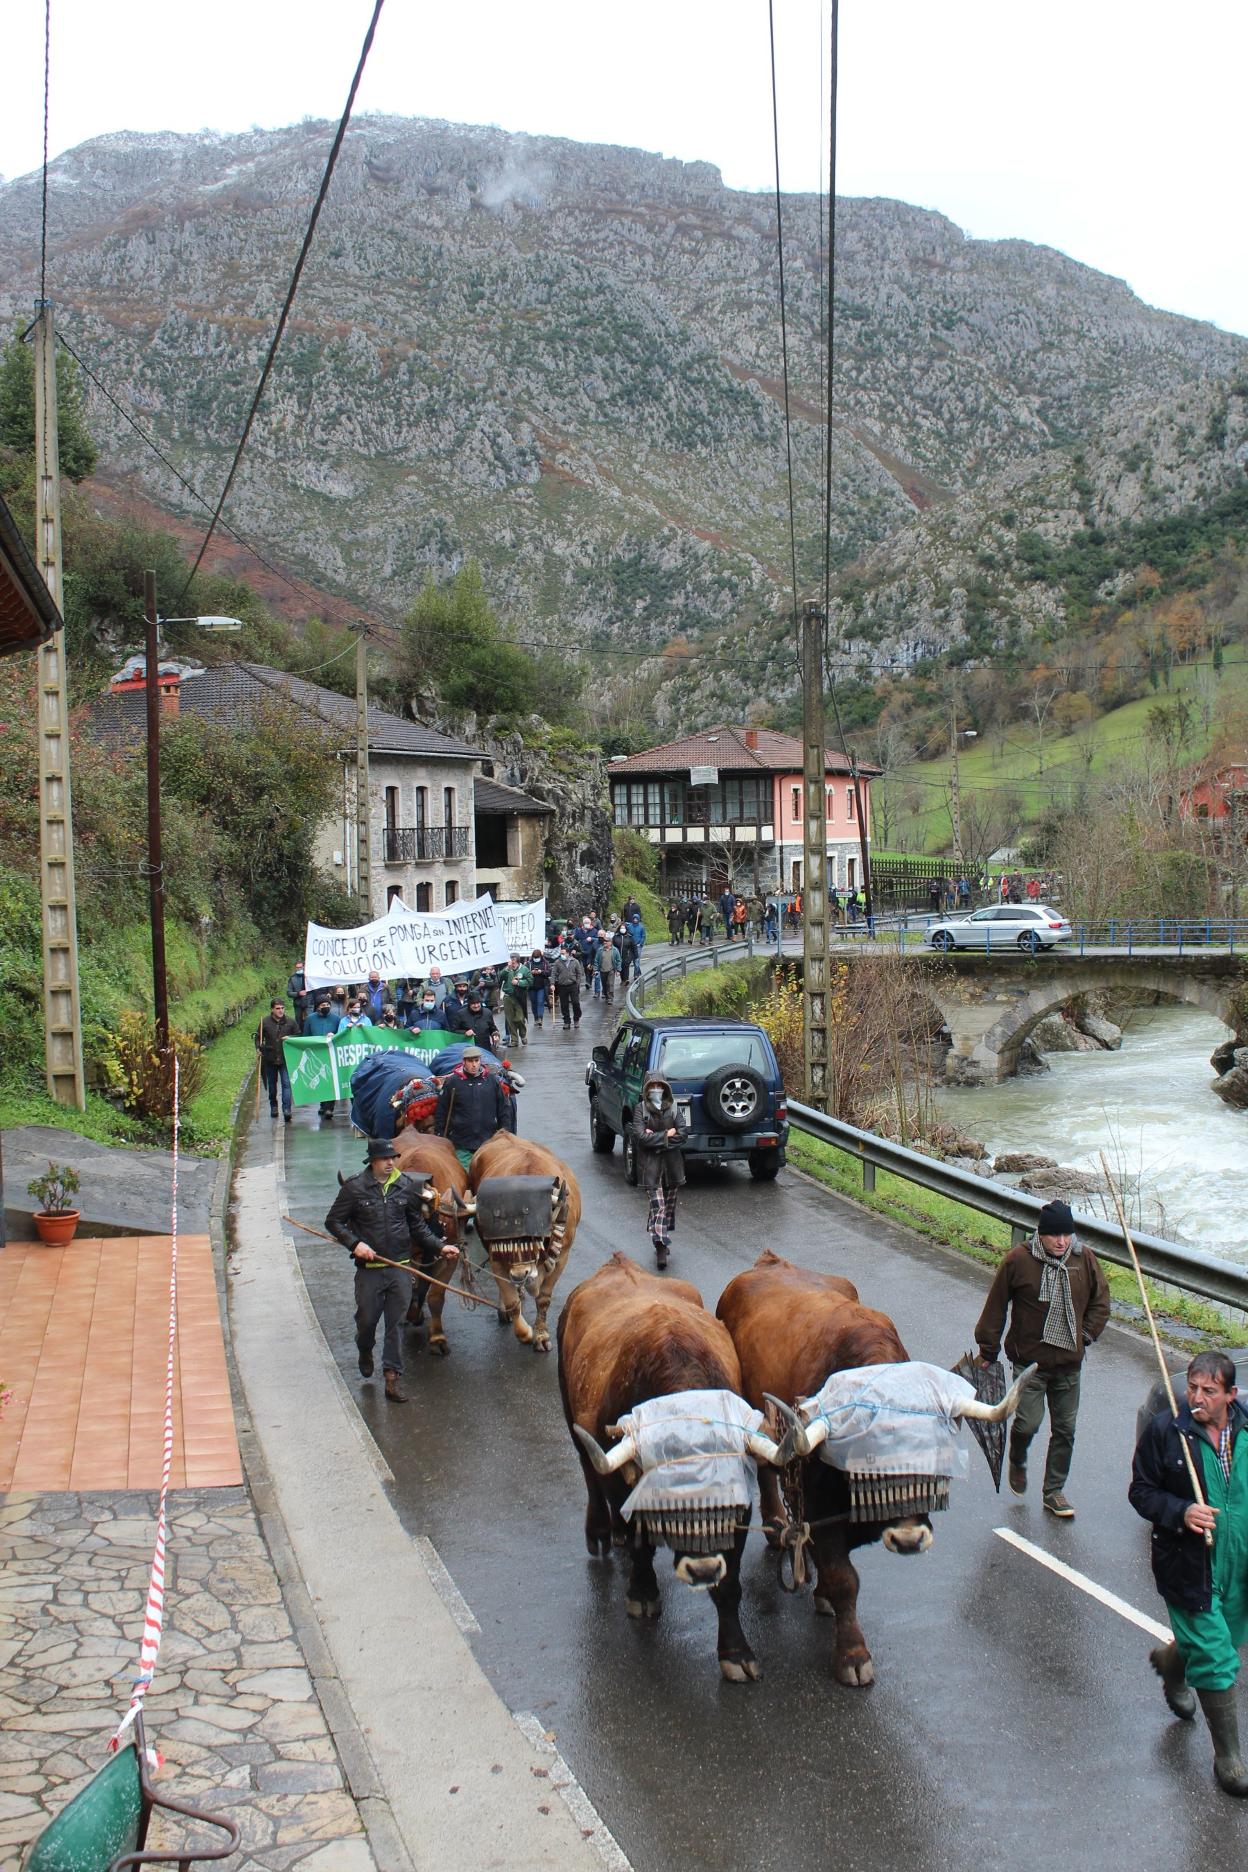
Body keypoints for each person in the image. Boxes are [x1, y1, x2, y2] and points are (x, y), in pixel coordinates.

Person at [1130, 1351, 1248, 1795]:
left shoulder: (1247, 1429)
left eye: (1208, 1391)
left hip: (1239, 1563)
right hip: (1188, 1564)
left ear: (1230, 1395)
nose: (1196, 1397)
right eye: (1193, 1388)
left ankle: (1172, 1662)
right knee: (1218, 1657)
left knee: (1225, 1638)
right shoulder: (1168, 1432)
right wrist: (1181, 1510)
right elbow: (1141, 1492)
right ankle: (1229, 1759)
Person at [974, 1198, 1110, 1518]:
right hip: (1030, 1364)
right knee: (1026, 1423)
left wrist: (1085, 1335)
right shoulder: (1019, 1260)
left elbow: (1101, 1301)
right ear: (1041, 1234)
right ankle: (1018, 1458)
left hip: (1069, 1366)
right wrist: (987, 1350)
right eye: (1055, 1236)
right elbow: (996, 1306)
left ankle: (1054, 1491)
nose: (1062, 1242)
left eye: (1067, 1235)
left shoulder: (1083, 1259)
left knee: (1065, 1429)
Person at [324, 1136, 456, 1404]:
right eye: (385, 1159)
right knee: (367, 1321)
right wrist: (355, 1243)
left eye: (393, 1158)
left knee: (396, 1324)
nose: (390, 1163)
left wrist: (439, 1247)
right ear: (372, 1162)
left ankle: (392, 1378)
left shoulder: (405, 1187)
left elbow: (417, 1226)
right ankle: (364, 1349)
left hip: (400, 1268)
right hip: (370, 1270)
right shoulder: (354, 1189)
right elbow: (334, 1222)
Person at [632, 1070, 688, 1270]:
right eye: (652, 1087)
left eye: (659, 1086)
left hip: (673, 1166)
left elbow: (682, 1134)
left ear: (665, 1088)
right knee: (659, 1206)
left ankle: (659, 1234)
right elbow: (639, 1137)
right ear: (646, 1090)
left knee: (668, 1206)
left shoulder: (673, 1108)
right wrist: (666, 1135)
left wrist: (656, 1138)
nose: (656, 1090)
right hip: (650, 1167)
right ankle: (661, 1245)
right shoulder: (640, 1110)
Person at [433, 1045, 510, 1166]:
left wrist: (505, 1133)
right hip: (461, 1144)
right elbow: (442, 1112)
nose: (474, 1065)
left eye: (476, 1061)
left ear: (480, 1061)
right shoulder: (453, 1082)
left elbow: (503, 1110)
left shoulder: (491, 1081)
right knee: (463, 1178)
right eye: (470, 1061)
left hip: (488, 1141)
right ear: (464, 1062)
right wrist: (440, 1137)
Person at [256, 997, 296, 1123]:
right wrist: (258, 1048)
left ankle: (287, 1109)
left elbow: (299, 1035)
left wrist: (291, 1037)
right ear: (272, 1009)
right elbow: (258, 1038)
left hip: (285, 1058)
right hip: (270, 1058)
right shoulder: (265, 1022)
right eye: (278, 1008)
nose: (280, 1011)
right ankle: (274, 1106)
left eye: (282, 1008)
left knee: (286, 1084)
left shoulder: (290, 1022)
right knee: (272, 1085)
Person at [303, 992, 340, 1121]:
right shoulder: (310, 1019)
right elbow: (305, 1037)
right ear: (318, 1006)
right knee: (320, 1079)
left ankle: (330, 1107)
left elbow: (341, 1035)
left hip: (331, 1053)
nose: (326, 1006)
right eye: (323, 1004)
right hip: (317, 1054)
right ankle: (322, 1104)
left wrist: (334, 1035)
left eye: (327, 1004)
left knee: (331, 1079)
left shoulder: (336, 1019)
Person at [501, 954, 532, 1047]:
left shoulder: (524, 969)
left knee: (519, 1018)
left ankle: (523, 1034)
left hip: (519, 997)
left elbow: (530, 981)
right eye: (510, 960)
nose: (512, 962)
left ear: (517, 960)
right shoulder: (507, 969)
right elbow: (500, 977)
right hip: (507, 996)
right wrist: (507, 969)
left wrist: (519, 982)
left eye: (513, 960)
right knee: (510, 1020)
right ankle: (514, 1040)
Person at [552, 945, 582, 1029]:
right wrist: (552, 984)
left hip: (573, 985)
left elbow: (579, 973)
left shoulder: (575, 961)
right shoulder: (557, 962)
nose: (561, 955)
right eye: (561, 953)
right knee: (564, 1005)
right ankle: (566, 1021)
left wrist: (578, 983)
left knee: (575, 1003)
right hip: (562, 986)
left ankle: (576, 1019)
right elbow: (553, 973)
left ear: (568, 953)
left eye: (563, 953)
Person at [528, 949, 550, 1028]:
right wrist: (531, 972)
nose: (536, 958)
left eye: (537, 957)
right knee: (534, 1003)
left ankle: (540, 1018)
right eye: (535, 957)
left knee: (540, 1002)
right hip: (531, 987)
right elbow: (525, 973)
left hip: (541, 986)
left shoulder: (545, 963)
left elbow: (548, 972)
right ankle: (536, 1018)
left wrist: (541, 971)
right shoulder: (528, 963)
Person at [598, 929, 621, 1004]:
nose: (604, 942)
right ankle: (606, 995)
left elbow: (618, 960)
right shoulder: (600, 950)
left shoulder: (615, 950)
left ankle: (610, 998)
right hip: (602, 970)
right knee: (604, 984)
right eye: (604, 941)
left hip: (611, 970)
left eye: (606, 941)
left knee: (610, 984)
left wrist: (618, 970)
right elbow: (596, 960)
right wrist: (595, 970)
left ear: (610, 943)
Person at [285, 963, 309, 1033]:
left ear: (303, 967)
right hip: (298, 1004)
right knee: (298, 1021)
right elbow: (289, 993)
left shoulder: (308, 976)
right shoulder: (292, 978)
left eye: (300, 967)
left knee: (309, 1020)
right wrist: (298, 993)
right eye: (297, 967)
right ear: (295, 968)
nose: (299, 969)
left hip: (309, 1003)